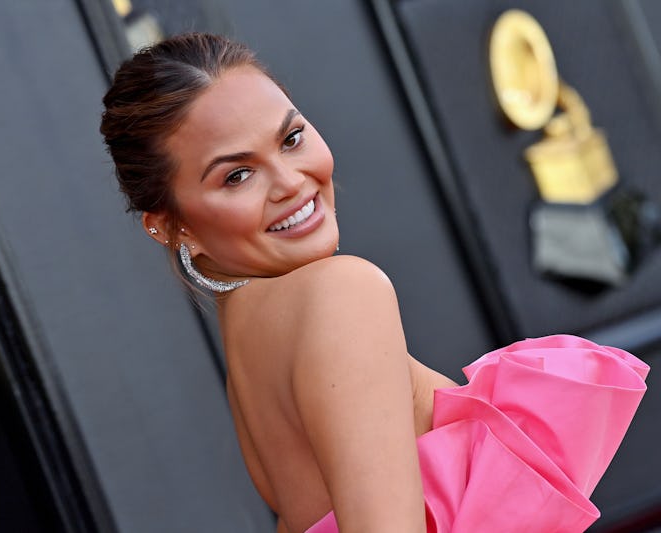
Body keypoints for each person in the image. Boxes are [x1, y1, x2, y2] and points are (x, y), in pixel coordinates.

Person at [100, 33, 649, 533]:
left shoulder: (250, 352)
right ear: (174, 226)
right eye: (237, 175)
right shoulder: (341, 294)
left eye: (291, 138)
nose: (292, 182)